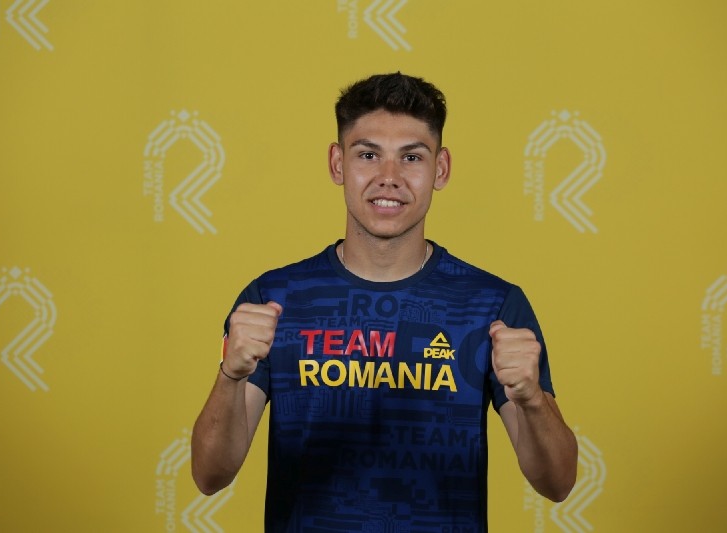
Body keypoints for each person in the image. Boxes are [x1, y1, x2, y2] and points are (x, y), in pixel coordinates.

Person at [191, 72, 578, 531]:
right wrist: (231, 376)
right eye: (368, 155)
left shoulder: (493, 306)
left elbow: (558, 483)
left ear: (441, 169)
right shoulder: (273, 300)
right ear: (337, 164)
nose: (388, 178)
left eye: (411, 157)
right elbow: (210, 475)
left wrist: (531, 399)